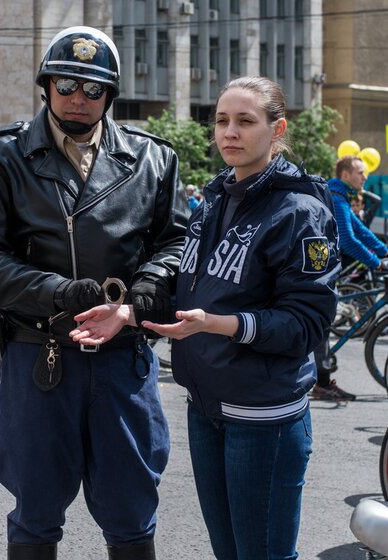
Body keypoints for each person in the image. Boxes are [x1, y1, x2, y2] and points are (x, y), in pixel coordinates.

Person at [74, 76, 338, 560]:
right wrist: (127, 313)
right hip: (206, 407)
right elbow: (190, 287)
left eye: (245, 121)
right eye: (221, 121)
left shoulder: (300, 212)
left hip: (264, 419)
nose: (229, 132)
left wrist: (221, 324)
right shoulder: (215, 200)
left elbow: (306, 325)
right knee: (227, 552)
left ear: (277, 129)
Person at [0, 26, 188, 559]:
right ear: (46, 86)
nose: (79, 99)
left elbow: (176, 243)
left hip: (122, 357)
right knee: (35, 513)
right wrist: (59, 292)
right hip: (40, 354)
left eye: (94, 89)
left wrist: (144, 293)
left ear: (110, 95)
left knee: (131, 513)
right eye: (67, 84)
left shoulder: (153, 159)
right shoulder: (2, 155)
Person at [311, 154, 388, 401]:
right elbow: (348, 240)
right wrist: (377, 263)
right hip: (318, 269)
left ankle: (321, 377)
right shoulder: (337, 198)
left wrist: (385, 251)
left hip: (324, 267)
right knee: (321, 323)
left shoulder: (341, 197)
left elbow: (361, 231)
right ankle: (321, 382)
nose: (365, 177)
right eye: (361, 172)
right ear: (346, 175)